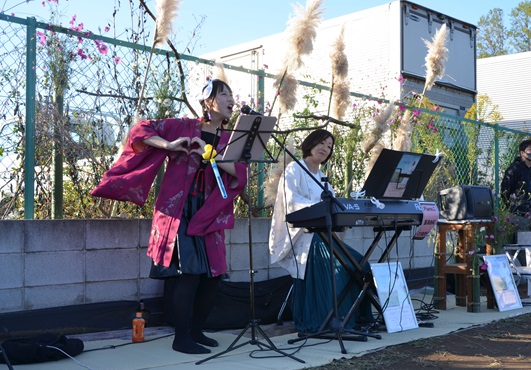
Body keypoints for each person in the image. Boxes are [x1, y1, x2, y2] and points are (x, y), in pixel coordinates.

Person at [92, 79, 247, 354]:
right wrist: (169, 144)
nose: (230, 99)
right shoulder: (184, 126)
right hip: (179, 208)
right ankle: (181, 337)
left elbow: (240, 175)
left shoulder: (229, 140)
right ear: (208, 101)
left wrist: (211, 155)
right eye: (224, 94)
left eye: (231, 94)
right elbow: (140, 132)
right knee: (187, 274)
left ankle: (197, 330)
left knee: (213, 277)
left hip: (210, 210)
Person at [268, 129, 373, 333]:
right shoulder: (294, 169)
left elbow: (333, 209)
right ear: (311, 143)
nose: (325, 148)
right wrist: (319, 208)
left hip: (324, 236)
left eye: (329, 146)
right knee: (338, 266)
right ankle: (328, 321)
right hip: (303, 237)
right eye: (322, 143)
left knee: (361, 264)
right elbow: (291, 202)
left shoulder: (323, 178)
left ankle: (357, 317)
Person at [501, 139, 531, 233]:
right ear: (522, 152)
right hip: (522, 214)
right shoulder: (514, 169)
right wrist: (514, 208)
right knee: (523, 243)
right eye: (530, 149)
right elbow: (505, 191)